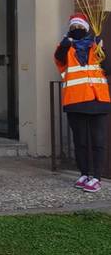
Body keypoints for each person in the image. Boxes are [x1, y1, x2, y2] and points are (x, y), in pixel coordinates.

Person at [54, 13, 110, 193]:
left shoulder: (96, 46)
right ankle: (84, 173)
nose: (77, 30)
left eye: (80, 27)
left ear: (86, 28)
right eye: (73, 27)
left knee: (98, 141)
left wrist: (103, 49)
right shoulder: (65, 47)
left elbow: (107, 68)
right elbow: (59, 58)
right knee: (80, 141)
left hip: (98, 99)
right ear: (70, 30)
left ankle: (97, 178)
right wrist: (65, 43)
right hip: (76, 100)